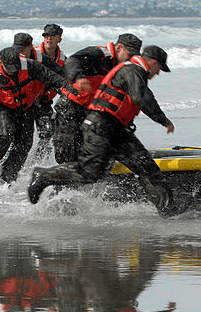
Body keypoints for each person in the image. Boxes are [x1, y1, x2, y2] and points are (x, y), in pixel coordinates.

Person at [27, 46, 176, 217]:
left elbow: (142, 96)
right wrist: (163, 120)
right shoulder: (132, 70)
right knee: (89, 172)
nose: (157, 73)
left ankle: (168, 211)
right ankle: (43, 176)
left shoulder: (135, 73)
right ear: (153, 62)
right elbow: (141, 97)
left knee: (146, 166)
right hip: (100, 127)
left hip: (118, 130)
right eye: (159, 69)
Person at [0, 43, 81, 183]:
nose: (14, 71)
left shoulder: (29, 65)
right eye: (10, 69)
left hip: (27, 108)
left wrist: (68, 88)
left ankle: (8, 176)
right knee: (5, 135)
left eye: (16, 68)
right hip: (5, 108)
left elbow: (50, 76)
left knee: (25, 144)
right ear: (2, 63)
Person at [52, 33, 143, 164]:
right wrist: (79, 76)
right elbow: (72, 61)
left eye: (133, 56)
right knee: (66, 153)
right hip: (70, 107)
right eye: (129, 54)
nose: (130, 59)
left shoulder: (122, 67)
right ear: (119, 48)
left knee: (98, 147)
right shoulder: (98, 53)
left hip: (91, 110)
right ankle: (58, 178)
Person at [31, 24, 67, 160]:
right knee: (19, 137)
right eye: (46, 36)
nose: (48, 39)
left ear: (59, 39)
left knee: (48, 133)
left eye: (52, 36)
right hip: (25, 102)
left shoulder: (63, 60)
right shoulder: (32, 54)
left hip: (44, 103)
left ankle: (37, 164)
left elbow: (65, 84)